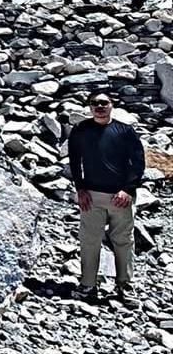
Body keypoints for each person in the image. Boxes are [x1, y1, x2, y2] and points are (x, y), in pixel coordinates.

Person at [68, 90, 146, 306]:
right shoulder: (80, 130)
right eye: (95, 103)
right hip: (91, 196)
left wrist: (128, 190)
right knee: (89, 241)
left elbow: (138, 162)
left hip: (120, 197)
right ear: (89, 107)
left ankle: (125, 286)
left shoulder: (125, 131)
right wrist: (80, 188)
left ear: (112, 105)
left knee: (123, 241)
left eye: (104, 103)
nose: (99, 107)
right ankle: (88, 285)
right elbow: (75, 161)